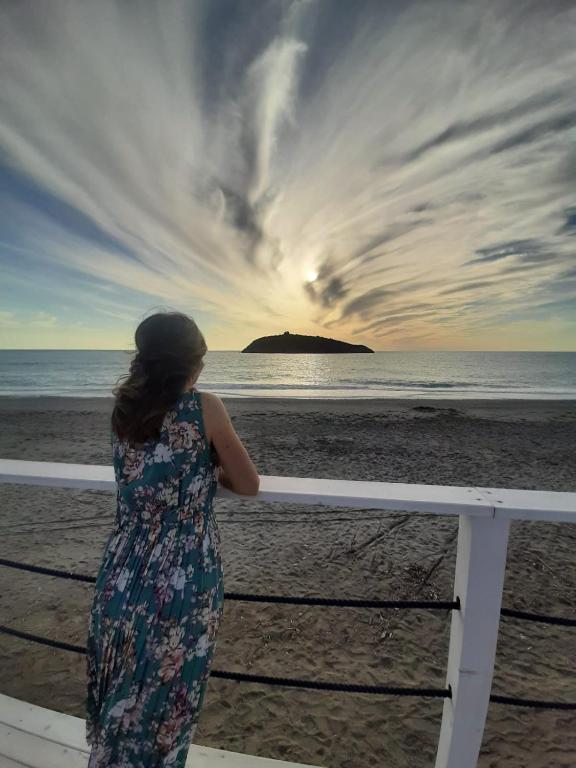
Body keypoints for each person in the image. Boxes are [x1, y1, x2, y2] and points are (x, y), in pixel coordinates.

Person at [85, 311, 259, 767]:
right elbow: (248, 483)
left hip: (122, 568)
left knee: (124, 690)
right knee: (169, 702)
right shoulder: (205, 407)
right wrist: (210, 472)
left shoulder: (124, 409)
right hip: (183, 573)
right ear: (191, 362)